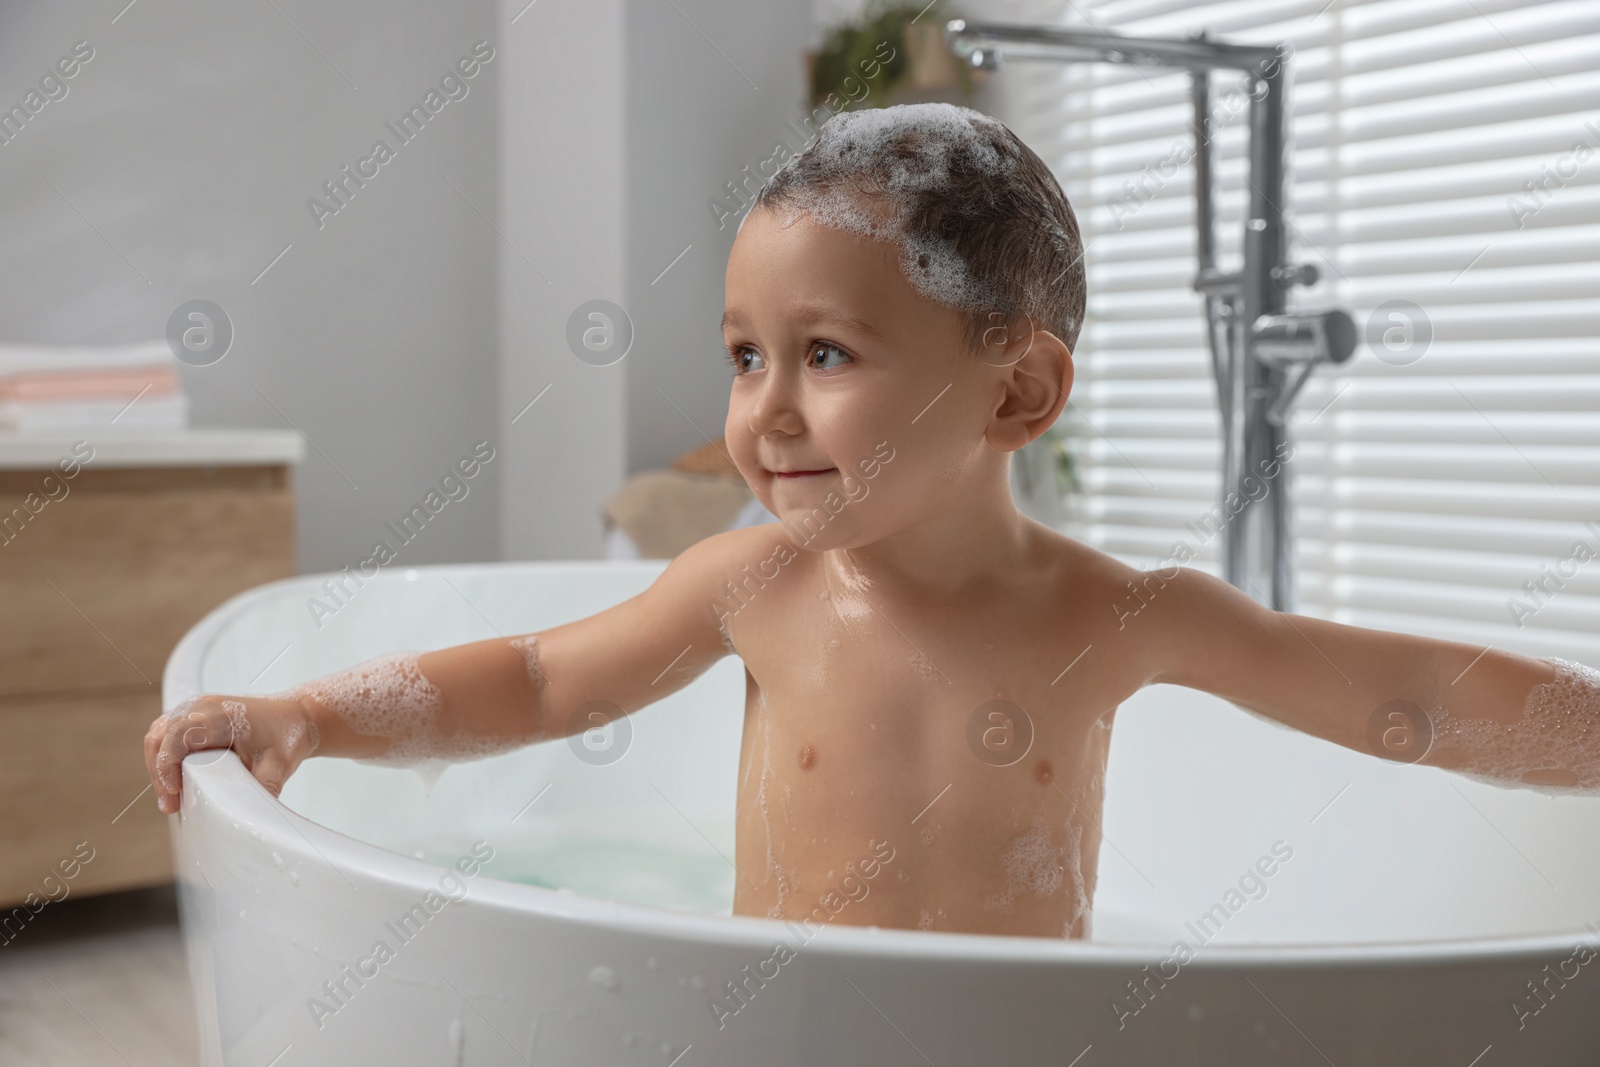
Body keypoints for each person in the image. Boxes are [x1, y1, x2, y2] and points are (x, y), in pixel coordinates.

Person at [144, 103, 1599, 940]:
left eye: (825, 355)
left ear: (1017, 390)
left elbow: (1400, 699)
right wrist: (310, 716)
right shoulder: (751, 583)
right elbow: (535, 679)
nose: (764, 411)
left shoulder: (1116, 618)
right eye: (742, 355)